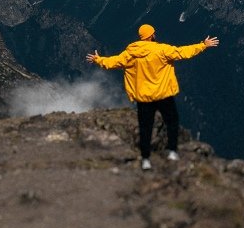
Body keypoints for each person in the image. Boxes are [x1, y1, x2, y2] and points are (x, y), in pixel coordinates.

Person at [87, 24, 220, 171]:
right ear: (151, 35)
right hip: (163, 95)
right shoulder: (162, 50)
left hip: (144, 98)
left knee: (145, 128)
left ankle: (145, 160)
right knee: (172, 122)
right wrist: (203, 45)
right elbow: (183, 52)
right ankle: (172, 152)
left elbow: (112, 62)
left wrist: (98, 59)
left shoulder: (130, 53)